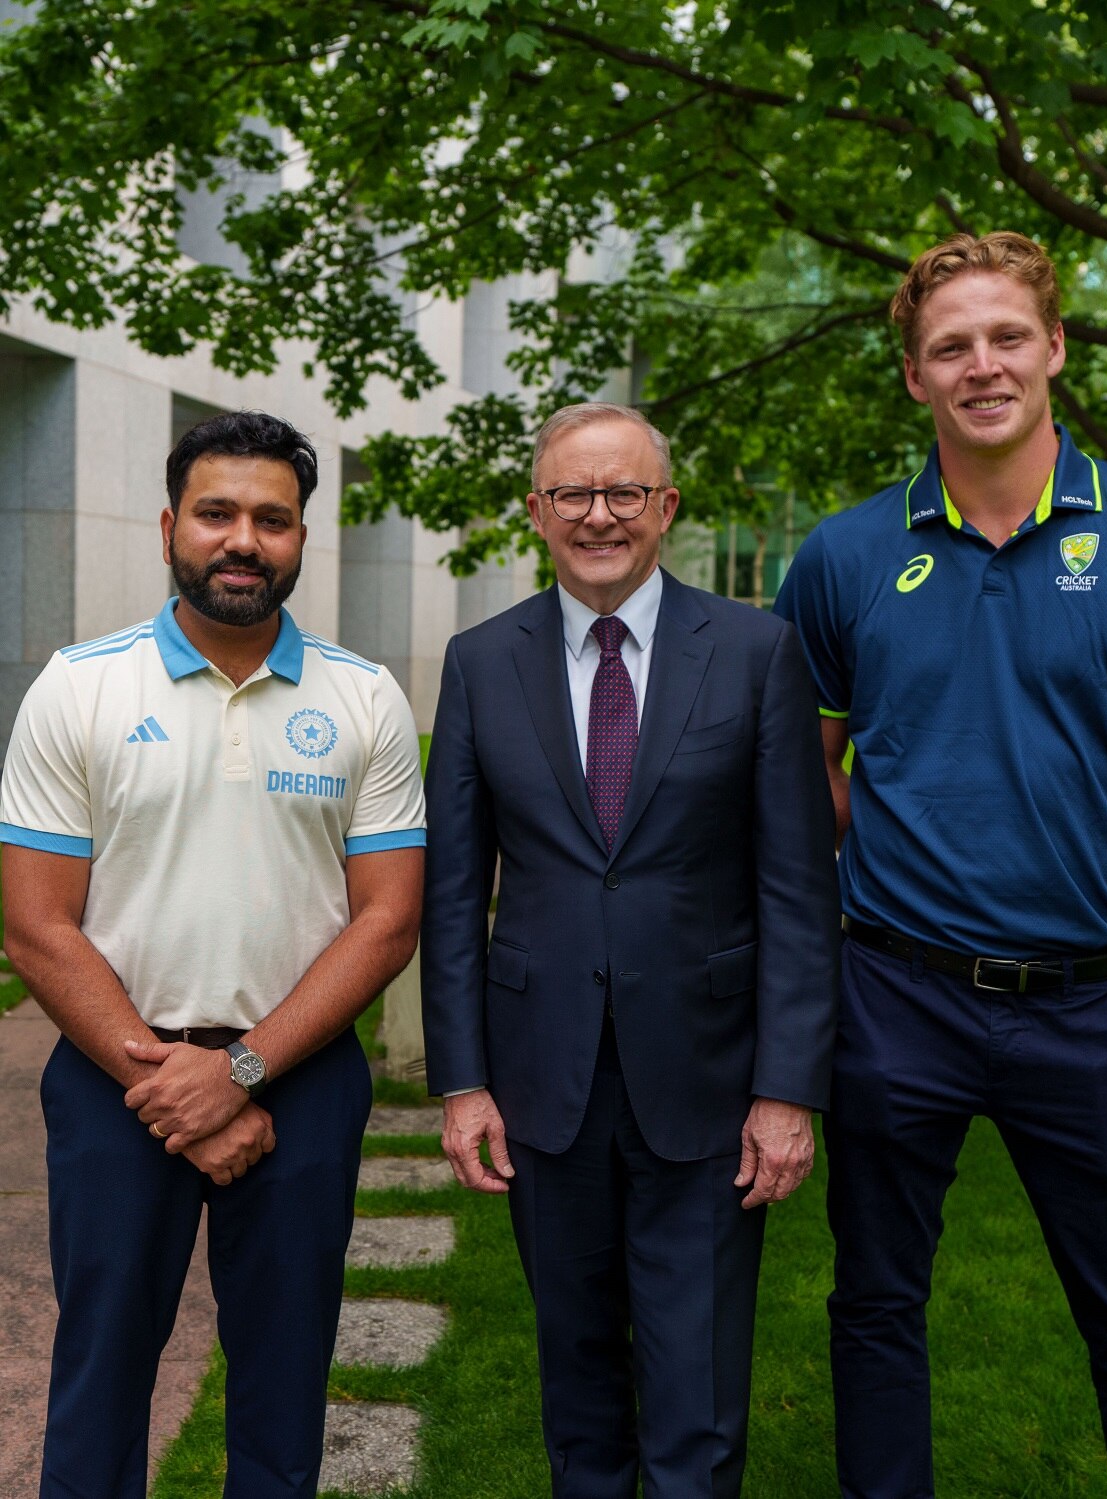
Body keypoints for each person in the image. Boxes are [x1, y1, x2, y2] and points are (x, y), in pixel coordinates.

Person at [775, 231, 1107, 1498]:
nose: (983, 364)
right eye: (949, 345)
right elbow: (807, 766)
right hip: (898, 996)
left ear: (1056, 346)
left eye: (1007, 335)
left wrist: (1098, 881)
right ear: (913, 377)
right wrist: (913, 865)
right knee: (877, 1305)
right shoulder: (845, 557)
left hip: (1092, 1001)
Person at [0, 410, 426, 1499]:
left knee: (287, 1386)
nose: (244, 538)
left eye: (272, 519)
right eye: (218, 512)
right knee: (99, 1376)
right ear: (168, 526)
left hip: (304, 1079)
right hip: (116, 1081)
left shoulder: (363, 696)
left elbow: (384, 921)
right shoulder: (78, 686)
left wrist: (238, 1072)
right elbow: (37, 923)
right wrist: (166, 1079)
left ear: (300, 538)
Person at [420, 402, 840, 1497]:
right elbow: (456, 892)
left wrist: (788, 1088)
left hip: (709, 1080)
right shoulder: (479, 662)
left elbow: (798, 886)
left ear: (666, 507)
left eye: (622, 493)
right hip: (539, 1081)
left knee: (695, 1399)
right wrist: (461, 1080)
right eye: (572, 493)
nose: (597, 515)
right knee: (578, 1383)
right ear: (536, 511)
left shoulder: (756, 652)